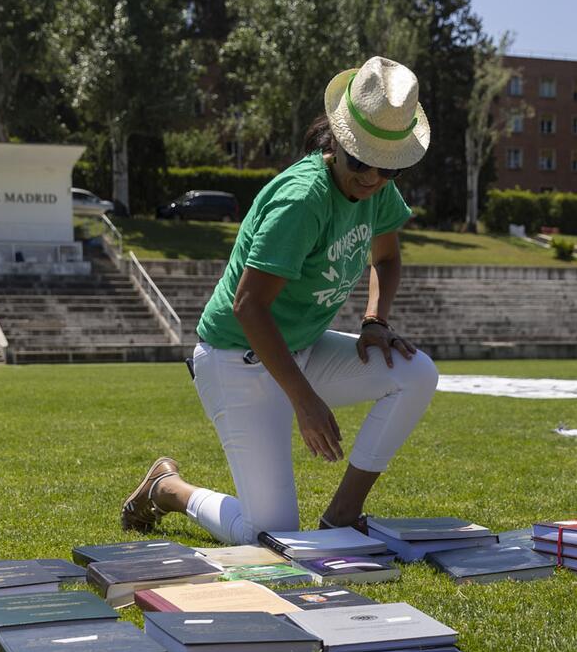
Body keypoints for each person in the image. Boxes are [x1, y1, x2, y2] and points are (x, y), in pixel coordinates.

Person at [120, 56, 438, 542]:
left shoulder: (376, 192)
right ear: (336, 142)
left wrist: (375, 319)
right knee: (269, 534)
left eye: (387, 168)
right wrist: (305, 401)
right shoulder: (302, 198)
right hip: (235, 359)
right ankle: (168, 489)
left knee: (416, 374)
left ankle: (341, 517)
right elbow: (248, 305)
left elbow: (388, 257)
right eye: (361, 162)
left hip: (299, 348)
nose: (372, 179)